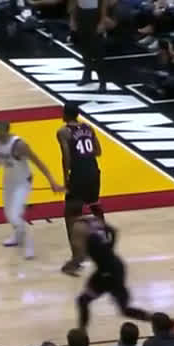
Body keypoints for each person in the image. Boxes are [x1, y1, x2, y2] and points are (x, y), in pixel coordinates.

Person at [0, 121, 65, 259]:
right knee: (9, 214)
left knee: (15, 214)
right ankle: (17, 235)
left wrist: (52, 182)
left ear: (6, 131)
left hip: (23, 181)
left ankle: (28, 243)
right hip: (9, 181)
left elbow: (38, 162)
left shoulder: (19, 145)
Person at [70, 200, 156, 330]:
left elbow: (83, 254)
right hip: (111, 269)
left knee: (86, 301)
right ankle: (159, 321)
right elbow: (113, 231)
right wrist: (110, 247)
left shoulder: (90, 240)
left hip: (110, 274)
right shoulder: (92, 223)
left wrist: (72, 265)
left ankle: (161, 322)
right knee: (87, 301)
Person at [58, 103, 104, 275]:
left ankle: (76, 260)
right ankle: (104, 249)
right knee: (95, 206)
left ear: (65, 114)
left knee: (71, 216)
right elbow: (98, 151)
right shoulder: (88, 128)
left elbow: (66, 156)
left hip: (78, 175)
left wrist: (66, 178)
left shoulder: (63, 132)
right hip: (93, 172)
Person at [71, 0, 111, 91]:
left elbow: (105, 2)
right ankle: (87, 76)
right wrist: (73, 19)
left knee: (97, 51)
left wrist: (102, 21)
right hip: (82, 15)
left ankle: (103, 82)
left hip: (95, 16)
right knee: (84, 48)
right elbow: (75, 0)